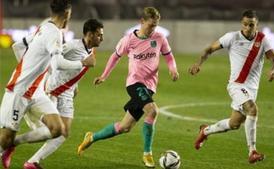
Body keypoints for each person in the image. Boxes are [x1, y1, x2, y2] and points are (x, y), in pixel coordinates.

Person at [77, 7, 179, 168]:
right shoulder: (129, 40)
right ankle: (147, 154)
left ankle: (92, 137)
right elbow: (114, 57)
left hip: (150, 87)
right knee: (152, 111)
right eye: (150, 25)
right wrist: (104, 76)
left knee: (124, 127)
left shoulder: (159, 38)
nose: (153, 29)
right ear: (142, 22)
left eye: (155, 26)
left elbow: (169, 56)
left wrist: (173, 69)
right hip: (134, 83)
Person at [0, 0, 95, 168]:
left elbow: (18, 46)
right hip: (19, 91)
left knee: (58, 129)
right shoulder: (54, 33)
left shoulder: (43, 27)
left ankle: (14, 144)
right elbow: (58, 63)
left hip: (35, 92)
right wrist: (83, 63)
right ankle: (8, 145)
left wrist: (30, 69)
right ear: (67, 14)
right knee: (4, 140)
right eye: (70, 15)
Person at [189, 9, 274, 164]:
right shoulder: (232, 37)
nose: (247, 28)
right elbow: (209, 49)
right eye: (245, 24)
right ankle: (252, 151)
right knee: (253, 109)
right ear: (241, 23)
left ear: (256, 25)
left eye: (251, 25)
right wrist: (198, 63)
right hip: (236, 85)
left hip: (252, 89)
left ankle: (205, 131)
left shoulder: (262, 40)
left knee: (234, 124)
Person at [20, 18, 104, 169]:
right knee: (50, 131)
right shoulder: (72, 46)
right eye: (99, 35)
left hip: (67, 94)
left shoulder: (90, 50)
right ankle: (11, 142)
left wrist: (75, 86)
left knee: (63, 133)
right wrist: (47, 80)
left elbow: (74, 72)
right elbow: (52, 60)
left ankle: (32, 162)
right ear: (90, 34)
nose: (102, 38)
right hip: (53, 91)